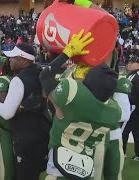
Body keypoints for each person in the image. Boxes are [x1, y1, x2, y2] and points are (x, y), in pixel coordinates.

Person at [40, 29, 121, 180]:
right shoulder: (114, 111)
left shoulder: (73, 94)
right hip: (85, 167)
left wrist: (67, 53)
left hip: (60, 168)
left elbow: (45, 76)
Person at [0, 42, 50, 180]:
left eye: (13, 57)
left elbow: (7, 113)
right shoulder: (41, 73)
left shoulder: (19, 80)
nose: (9, 59)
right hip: (43, 133)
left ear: (23, 60)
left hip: (26, 135)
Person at [0, 59, 16, 180]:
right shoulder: (3, 79)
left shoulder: (20, 79)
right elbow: (4, 104)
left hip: (20, 128)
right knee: (6, 170)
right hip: (6, 128)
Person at [123, 55, 139, 161]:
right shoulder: (131, 75)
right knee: (135, 131)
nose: (129, 64)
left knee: (125, 130)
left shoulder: (136, 76)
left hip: (133, 108)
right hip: (131, 106)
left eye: (132, 62)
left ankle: (122, 151)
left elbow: (135, 93)